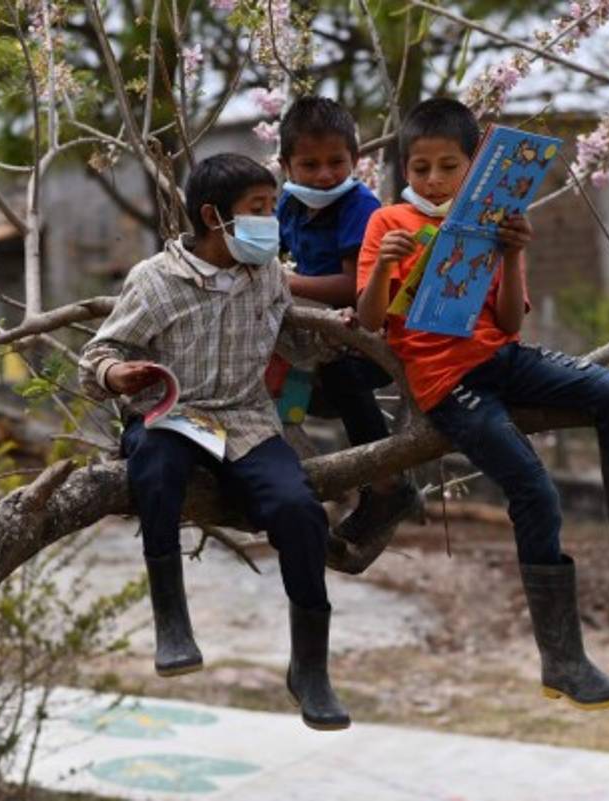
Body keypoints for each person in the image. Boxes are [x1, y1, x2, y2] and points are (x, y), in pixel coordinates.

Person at [355, 98, 609, 710]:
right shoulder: (388, 225)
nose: (433, 180)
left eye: (447, 166)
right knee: (535, 491)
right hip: (445, 381)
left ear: (473, 169)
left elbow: (510, 323)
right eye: (419, 168)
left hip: (501, 359)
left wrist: (513, 251)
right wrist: (384, 272)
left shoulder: (488, 223)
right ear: (403, 171)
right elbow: (367, 320)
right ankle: (563, 661)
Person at [79, 153, 349, 731]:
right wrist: (115, 376)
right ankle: (172, 620)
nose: (270, 221)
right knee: (153, 468)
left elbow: (292, 347)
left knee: (300, 510)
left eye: (272, 208)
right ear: (213, 217)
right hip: (172, 415)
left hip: (246, 419)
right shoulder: (156, 280)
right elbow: (97, 356)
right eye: (258, 210)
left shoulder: (269, 276)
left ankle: (310, 666)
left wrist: (338, 337)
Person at [276, 95, 419, 541]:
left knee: (343, 376)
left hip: (372, 331)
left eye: (336, 161)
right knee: (282, 386)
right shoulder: (289, 205)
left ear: (356, 159)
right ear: (286, 166)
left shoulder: (359, 206)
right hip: (320, 334)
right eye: (310, 164)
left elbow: (352, 287)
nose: (324, 175)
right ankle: (300, 485)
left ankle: (385, 484)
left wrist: (286, 283)